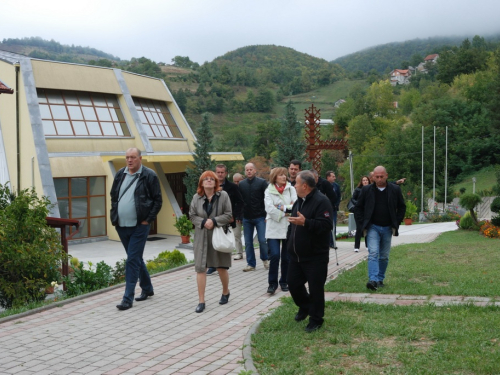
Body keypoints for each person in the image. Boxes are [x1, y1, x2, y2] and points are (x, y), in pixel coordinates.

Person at [110, 148, 163, 311]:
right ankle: (147, 288)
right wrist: (115, 214)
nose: (129, 160)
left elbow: (158, 200)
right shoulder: (120, 173)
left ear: (140, 158)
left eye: (133, 157)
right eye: (127, 157)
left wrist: (147, 220)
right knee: (135, 258)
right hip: (121, 225)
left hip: (140, 226)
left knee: (132, 260)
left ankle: (127, 298)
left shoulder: (149, 175)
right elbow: (114, 195)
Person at [287, 171, 333, 333]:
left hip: (315, 256)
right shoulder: (298, 201)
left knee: (315, 289)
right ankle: (306, 307)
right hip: (295, 255)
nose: (294, 186)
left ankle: (316, 319)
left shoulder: (322, 201)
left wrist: (306, 222)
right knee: (293, 284)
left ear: (305, 186)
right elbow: (293, 225)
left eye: (296, 183)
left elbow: (326, 226)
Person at [354, 166, 406, 291]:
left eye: (381, 176)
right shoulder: (366, 190)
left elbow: (402, 207)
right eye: (376, 177)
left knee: (384, 256)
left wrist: (396, 222)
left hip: (388, 227)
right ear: (373, 177)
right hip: (373, 227)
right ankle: (373, 279)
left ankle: (380, 279)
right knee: (373, 253)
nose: (379, 179)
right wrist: (363, 223)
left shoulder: (395, 189)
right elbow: (358, 207)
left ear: (386, 175)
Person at [189, 171, 233, 313]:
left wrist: (213, 221)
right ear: (201, 183)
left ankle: (225, 291)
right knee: (201, 268)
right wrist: (203, 222)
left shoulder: (223, 196)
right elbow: (192, 215)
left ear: (216, 183)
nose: (208, 181)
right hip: (201, 236)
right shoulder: (196, 198)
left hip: (218, 235)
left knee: (221, 267)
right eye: (205, 179)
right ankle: (201, 301)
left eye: (211, 179)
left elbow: (228, 214)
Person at [264, 167, 297, 294]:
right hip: (273, 227)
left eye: (284, 175)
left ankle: (284, 281)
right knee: (275, 256)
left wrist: (281, 207)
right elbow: (269, 208)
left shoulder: (291, 188)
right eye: (281, 175)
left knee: (286, 257)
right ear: (274, 177)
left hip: (288, 226)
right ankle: (272, 283)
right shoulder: (269, 190)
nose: (284, 177)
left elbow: (295, 205)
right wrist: (284, 212)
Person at [206, 165, 244, 276]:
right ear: (215, 173)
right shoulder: (210, 186)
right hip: (213, 218)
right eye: (218, 172)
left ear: (226, 173)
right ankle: (212, 265)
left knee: (225, 241)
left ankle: (223, 264)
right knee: (213, 241)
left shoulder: (232, 187)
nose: (220, 174)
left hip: (227, 218)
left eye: (222, 172)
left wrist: (235, 215)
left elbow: (240, 202)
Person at [238, 163, 269, 272]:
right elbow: (239, 201)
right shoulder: (241, 184)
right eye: (247, 170)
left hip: (260, 216)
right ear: (245, 171)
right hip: (247, 218)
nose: (249, 171)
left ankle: (265, 259)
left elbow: (268, 198)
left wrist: (267, 214)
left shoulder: (262, 183)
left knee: (262, 239)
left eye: (251, 169)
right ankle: (251, 264)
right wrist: (239, 215)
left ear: (255, 170)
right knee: (248, 242)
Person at [352, 175, 371, 252]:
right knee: (359, 229)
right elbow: (353, 199)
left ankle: (368, 245)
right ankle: (356, 246)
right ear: (361, 182)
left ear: (369, 181)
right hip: (358, 212)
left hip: (367, 211)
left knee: (367, 228)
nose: (365, 181)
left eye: (366, 180)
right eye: (363, 180)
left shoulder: (371, 189)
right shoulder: (357, 190)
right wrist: (359, 204)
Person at [326, 171, 341, 247]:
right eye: (333, 176)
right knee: (326, 224)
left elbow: (339, 196)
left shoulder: (336, 186)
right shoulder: (324, 185)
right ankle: (327, 242)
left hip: (334, 209)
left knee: (333, 225)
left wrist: (336, 204)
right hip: (325, 209)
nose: (334, 178)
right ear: (328, 177)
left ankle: (333, 242)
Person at [232, 173, 245, 260]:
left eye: (238, 181)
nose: (237, 183)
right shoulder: (232, 190)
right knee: (236, 235)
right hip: (236, 216)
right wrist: (237, 217)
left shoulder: (246, 189)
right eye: (235, 181)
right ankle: (239, 253)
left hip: (247, 215)